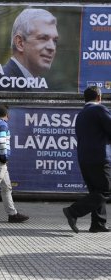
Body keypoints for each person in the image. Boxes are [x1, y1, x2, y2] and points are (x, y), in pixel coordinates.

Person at [63, 86, 111, 233]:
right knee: (105, 190)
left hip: (84, 158)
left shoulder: (81, 114)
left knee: (95, 191)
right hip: (99, 157)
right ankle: (73, 211)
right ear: (99, 97)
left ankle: (98, 223)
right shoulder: (99, 109)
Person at [0, 8, 58, 91]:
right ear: (20, 43)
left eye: (55, 41)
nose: (52, 47)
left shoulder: (40, 85)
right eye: (43, 38)